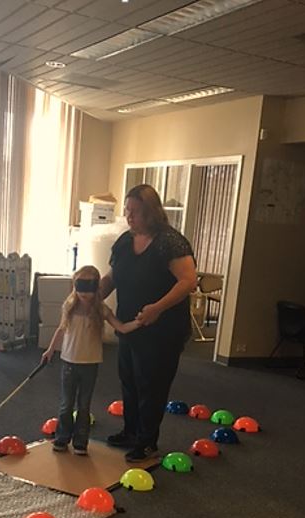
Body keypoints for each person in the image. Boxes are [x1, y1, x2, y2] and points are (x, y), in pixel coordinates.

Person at [100, 184, 197, 463]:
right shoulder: (124, 242)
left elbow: (188, 281)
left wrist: (157, 308)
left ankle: (147, 442)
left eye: (136, 212)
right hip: (130, 326)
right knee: (129, 380)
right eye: (127, 211)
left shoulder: (170, 242)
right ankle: (131, 432)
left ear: (151, 213)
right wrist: (92, 298)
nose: (129, 217)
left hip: (162, 330)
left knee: (151, 385)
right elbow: (112, 276)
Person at [41, 265, 140, 455]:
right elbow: (61, 329)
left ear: (96, 288)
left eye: (89, 287)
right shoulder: (69, 307)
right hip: (69, 362)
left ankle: (80, 442)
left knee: (84, 405)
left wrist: (140, 321)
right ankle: (62, 439)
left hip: (90, 364)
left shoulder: (101, 310)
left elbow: (121, 327)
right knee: (66, 405)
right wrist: (50, 350)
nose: (84, 294)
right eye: (80, 287)